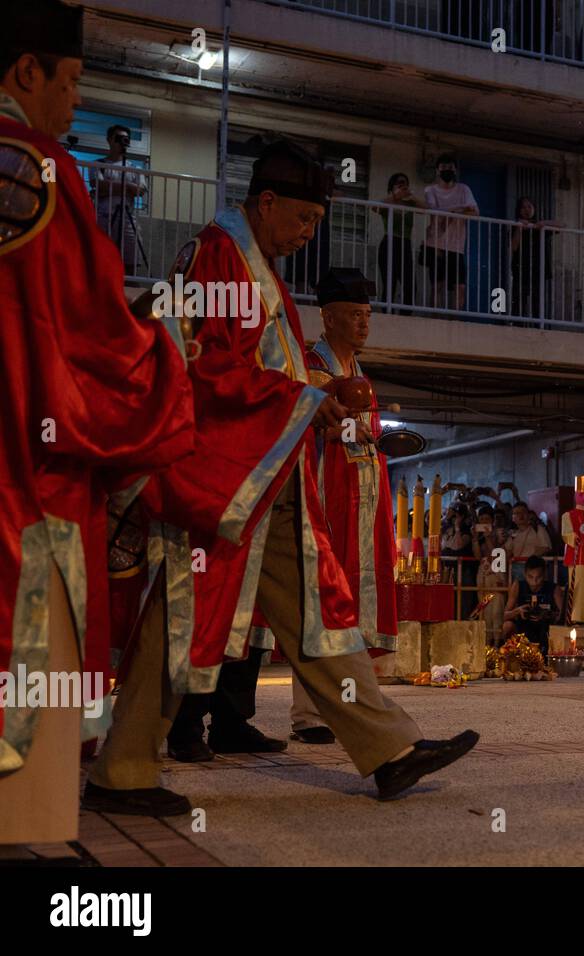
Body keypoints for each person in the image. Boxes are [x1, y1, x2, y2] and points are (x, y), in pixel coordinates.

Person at [83, 140, 478, 817]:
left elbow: (264, 368)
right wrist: (308, 402)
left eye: (317, 224)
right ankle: (122, 769)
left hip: (268, 473)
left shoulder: (252, 262)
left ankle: (387, 748)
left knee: (319, 616)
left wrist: (317, 399)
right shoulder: (217, 256)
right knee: (180, 617)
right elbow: (204, 367)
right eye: (304, 220)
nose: (308, 235)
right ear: (266, 203)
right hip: (221, 477)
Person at [0, 0, 194, 844]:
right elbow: (88, 333)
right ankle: (21, 829)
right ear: (25, 72)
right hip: (26, 464)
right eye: (72, 82)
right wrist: (165, 351)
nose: (77, 105)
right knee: (29, 637)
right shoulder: (36, 168)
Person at [284, 267, 401, 744]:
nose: (363, 324)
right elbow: (313, 428)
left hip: (365, 504)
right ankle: (308, 712)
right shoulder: (312, 366)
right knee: (321, 598)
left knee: (354, 602)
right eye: (354, 315)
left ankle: (349, 705)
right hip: (326, 498)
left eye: (368, 315)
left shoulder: (359, 374)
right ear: (328, 317)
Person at [422, 154, 478, 311]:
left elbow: (475, 213)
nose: (447, 170)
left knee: (460, 286)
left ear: (455, 170)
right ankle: (434, 318)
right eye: (444, 167)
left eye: (450, 168)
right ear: (437, 170)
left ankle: (456, 320)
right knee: (436, 285)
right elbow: (434, 211)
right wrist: (458, 209)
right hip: (436, 243)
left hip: (457, 245)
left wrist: (451, 212)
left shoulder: (464, 189)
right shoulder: (430, 190)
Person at [92, 123, 147, 276]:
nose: (123, 142)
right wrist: (128, 187)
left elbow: (140, 190)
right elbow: (98, 185)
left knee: (130, 263)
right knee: (100, 261)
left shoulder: (134, 168)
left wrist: (108, 188)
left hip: (128, 219)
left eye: (126, 139)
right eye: (119, 138)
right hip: (104, 218)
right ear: (109, 140)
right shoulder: (99, 164)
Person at [376, 172, 423, 311]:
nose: (403, 186)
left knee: (410, 286)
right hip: (389, 243)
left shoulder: (410, 203)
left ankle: (405, 316)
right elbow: (375, 207)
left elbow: (426, 209)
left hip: (405, 245)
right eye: (399, 183)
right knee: (389, 285)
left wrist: (412, 197)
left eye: (405, 183)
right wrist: (395, 196)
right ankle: (386, 315)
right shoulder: (388, 202)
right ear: (392, 186)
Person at [502, 556, 563, 658]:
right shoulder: (518, 586)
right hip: (523, 627)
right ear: (525, 574)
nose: (534, 581)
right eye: (530, 577)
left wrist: (548, 615)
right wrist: (518, 611)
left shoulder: (554, 589)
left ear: (544, 575)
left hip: (545, 628)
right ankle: (511, 657)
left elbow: (563, 616)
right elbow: (504, 615)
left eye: (538, 577)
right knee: (507, 626)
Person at [509, 196, 557, 318]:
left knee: (537, 302)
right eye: (523, 207)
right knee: (519, 301)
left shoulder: (540, 226)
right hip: (521, 269)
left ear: (534, 208)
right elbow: (513, 247)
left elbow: (562, 225)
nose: (527, 210)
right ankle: (517, 327)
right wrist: (520, 228)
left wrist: (543, 223)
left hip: (538, 270)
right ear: (519, 210)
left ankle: (538, 328)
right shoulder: (515, 225)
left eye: (529, 206)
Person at [473, 504, 509, 646]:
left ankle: (498, 643)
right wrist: (475, 539)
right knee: (485, 611)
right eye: (481, 519)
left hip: (497, 573)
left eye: (487, 519)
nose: (484, 522)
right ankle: (486, 644)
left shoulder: (500, 534)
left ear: (493, 520)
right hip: (483, 574)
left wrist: (488, 537)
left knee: (497, 611)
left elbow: (497, 554)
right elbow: (477, 556)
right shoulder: (479, 535)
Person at [508, 503, 551, 583]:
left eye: (523, 512)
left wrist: (530, 561)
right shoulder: (512, 534)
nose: (521, 515)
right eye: (517, 513)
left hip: (535, 569)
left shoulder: (538, 529)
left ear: (528, 514)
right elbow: (508, 552)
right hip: (517, 570)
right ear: (513, 518)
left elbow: (545, 548)